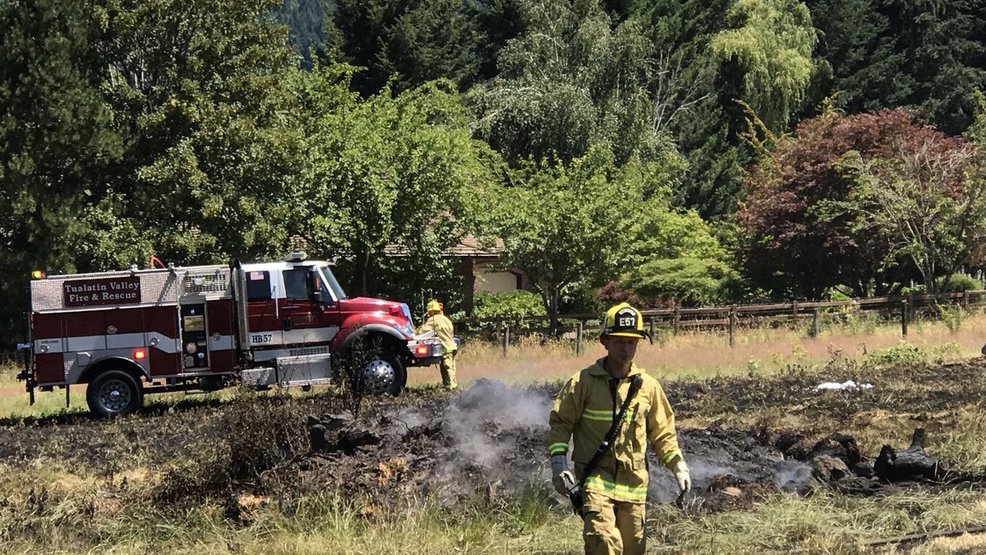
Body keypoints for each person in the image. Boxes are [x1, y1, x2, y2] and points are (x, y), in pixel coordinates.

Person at [545, 302, 690, 555]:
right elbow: (561, 423)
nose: (626, 348)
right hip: (595, 480)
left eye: (631, 342)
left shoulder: (648, 387)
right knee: (603, 541)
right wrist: (559, 464)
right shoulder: (582, 382)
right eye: (619, 341)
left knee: (632, 548)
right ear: (605, 341)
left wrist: (677, 464)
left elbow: (663, 433)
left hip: (634, 485)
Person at [417, 299, 458, 390]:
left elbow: (422, 332)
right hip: (453, 346)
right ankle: (452, 385)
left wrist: (415, 332)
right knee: (452, 367)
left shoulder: (433, 319)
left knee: (446, 367)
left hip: (445, 347)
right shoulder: (447, 319)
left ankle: (450, 387)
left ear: (430, 311)